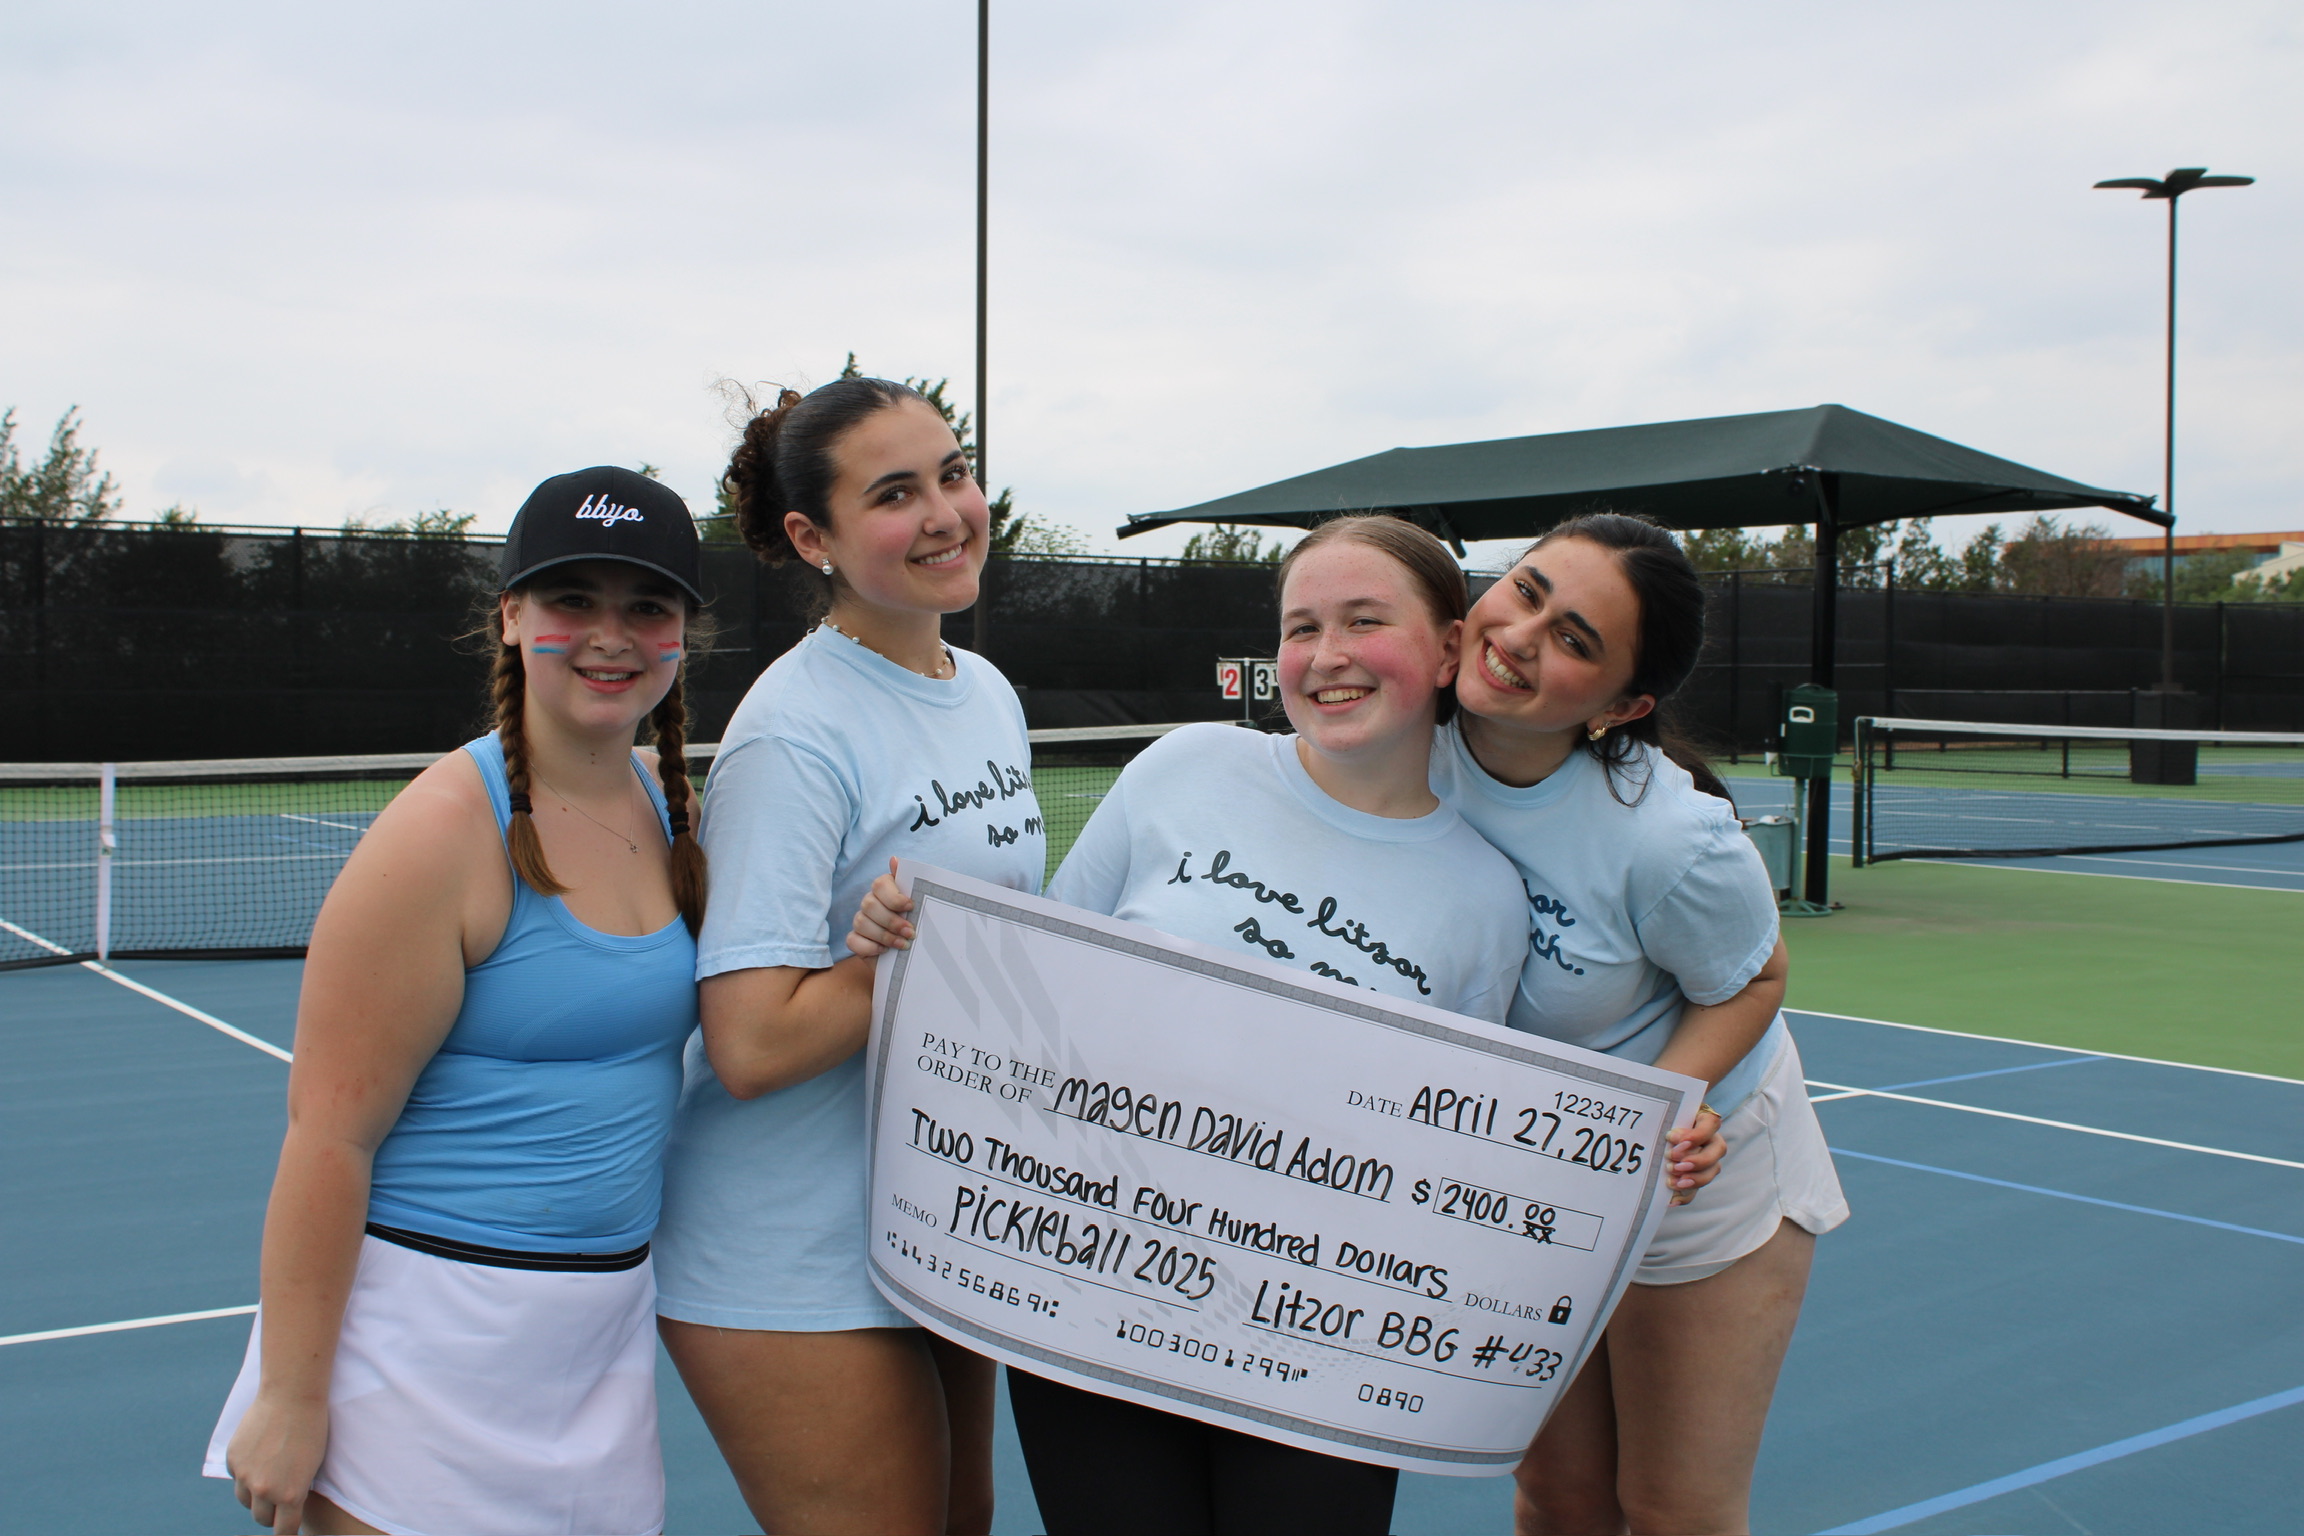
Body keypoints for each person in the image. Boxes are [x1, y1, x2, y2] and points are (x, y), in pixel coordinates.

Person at [853, 514, 1563, 1536]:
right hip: (1097, 1313)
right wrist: (909, 936)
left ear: (1451, 647)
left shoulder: (1489, 897)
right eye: (1301, 626)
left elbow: (1447, 1160)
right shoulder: (1183, 769)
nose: (1327, 657)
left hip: (1317, 1355)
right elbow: (1040, 993)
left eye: (1366, 621)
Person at [205, 465, 709, 1536]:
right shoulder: (439, 834)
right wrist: (291, 1398)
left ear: (683, 636)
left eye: (646, 607)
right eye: (574, 599)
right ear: (513, 614)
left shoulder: (675, 814)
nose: (609, 635)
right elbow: (328, 1136)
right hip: (422, 1354)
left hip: (598, 1348)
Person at [649, 377, 1039, 1536]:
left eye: (954, 474)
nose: (945, 513)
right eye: (895, 494)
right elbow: (753, 1041)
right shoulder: (794, 732)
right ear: (811, 538)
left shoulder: (987, 693)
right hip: (792, 1250)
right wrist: (898, 964)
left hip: (933, 1215)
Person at [1434, 510, 1849, 1536]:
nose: (1523, 635)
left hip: (1697, 1186)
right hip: (1534, 1179)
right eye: (1527, 590)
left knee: (1673, 1510)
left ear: (1624, 705)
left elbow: (1755, 980)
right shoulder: (1403, 747)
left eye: (1576, 638)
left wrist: (1671, 1104)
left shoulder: (1670, 839)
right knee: (1559, 1496)